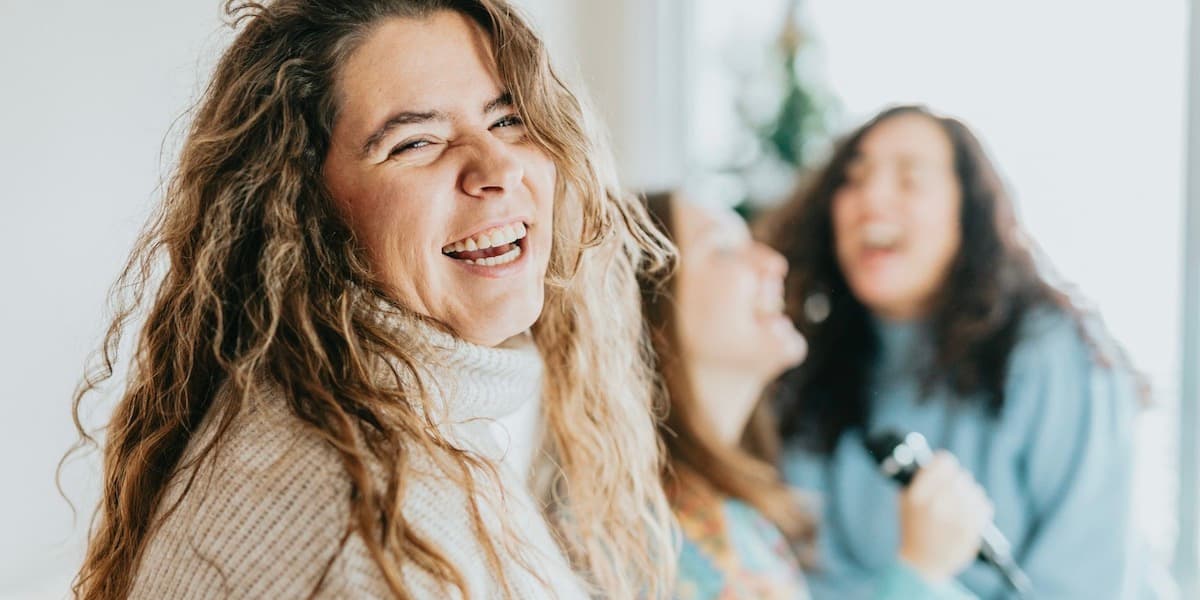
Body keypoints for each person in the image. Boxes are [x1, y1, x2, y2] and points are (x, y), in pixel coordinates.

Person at [67, 1, 675, 598]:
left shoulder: (386, 428)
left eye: (508, 120)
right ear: (301, 210)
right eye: (415, 143)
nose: (498, 167)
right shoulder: (374, 518)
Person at [762, 105, 1157, 598]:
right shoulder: (808, 375)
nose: (871, 199)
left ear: (967, 214)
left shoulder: (1058, 356)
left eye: (910, 179)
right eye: (853, 178)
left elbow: (1085, 584)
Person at [640, 191, 989, 599]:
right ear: (651, 317)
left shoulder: (730, 518)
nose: (772, 262)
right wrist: (920, 572)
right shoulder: (652, 535)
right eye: (723, 249)